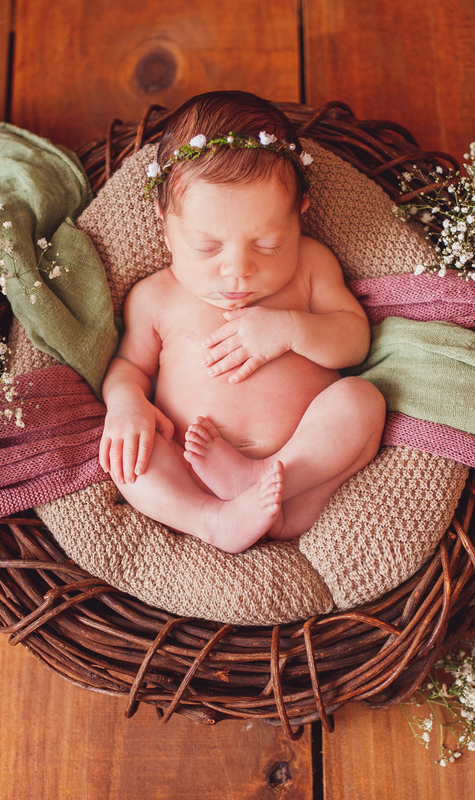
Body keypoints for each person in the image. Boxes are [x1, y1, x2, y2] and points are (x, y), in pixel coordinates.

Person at [98, 91, 386, 554]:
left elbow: (354, 340)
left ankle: (262, 481)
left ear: (300, 217)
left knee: (362, 400)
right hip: (191, 473)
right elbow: (130, 367)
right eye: (208, 247)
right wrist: (127, 403)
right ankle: (209, 519)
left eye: (268, 244)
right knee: (131, 458)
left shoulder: (311, 266)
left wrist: (292, 329)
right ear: (164, 225)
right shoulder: (155, 298)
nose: (238, 269)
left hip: (303, 478)